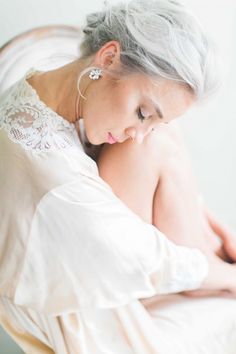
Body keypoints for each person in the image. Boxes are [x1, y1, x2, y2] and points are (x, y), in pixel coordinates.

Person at [0, 0, 236, 353]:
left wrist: (209, 225)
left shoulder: (48, 75)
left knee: (158, 141)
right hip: (82, 304)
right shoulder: (57, 180)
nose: (137, 132)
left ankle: (214, 247)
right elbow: (151, 259)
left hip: (101, 249)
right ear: (108, 57)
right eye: (142, 113)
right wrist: (230, 277)